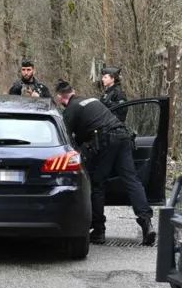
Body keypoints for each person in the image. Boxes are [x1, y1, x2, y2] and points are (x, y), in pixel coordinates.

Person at [54, 79, 155, 246]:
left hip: (107, 140)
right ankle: (147, 224)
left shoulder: (71, 109)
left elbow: (67, 139)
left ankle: (99, 230)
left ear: (60, 98)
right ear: (74, 91)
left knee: (97, 183)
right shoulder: (91, 100)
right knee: (132, 180)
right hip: (123, 135)